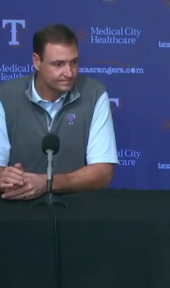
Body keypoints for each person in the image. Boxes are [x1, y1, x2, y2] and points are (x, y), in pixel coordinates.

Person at [0, 23, 118, 200]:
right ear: (36, 61)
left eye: (74, 62)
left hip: (77, 210)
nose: (69, 72)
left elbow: (102, 172)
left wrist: (47, 183)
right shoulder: (5, 96)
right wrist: (8, 178)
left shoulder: (94, 94)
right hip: (18, 209)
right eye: (58, 64)